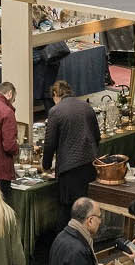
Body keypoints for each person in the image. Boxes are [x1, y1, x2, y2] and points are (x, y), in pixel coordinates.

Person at [42, 80, 100, 213]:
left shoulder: (55, 111)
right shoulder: (86, 106)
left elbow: (50, 143)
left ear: (56, 94)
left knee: (67, 209)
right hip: (89, 164)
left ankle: (67, 233)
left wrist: (46, 166)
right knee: (86, 207)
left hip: (69, 169)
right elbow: (97, 136)